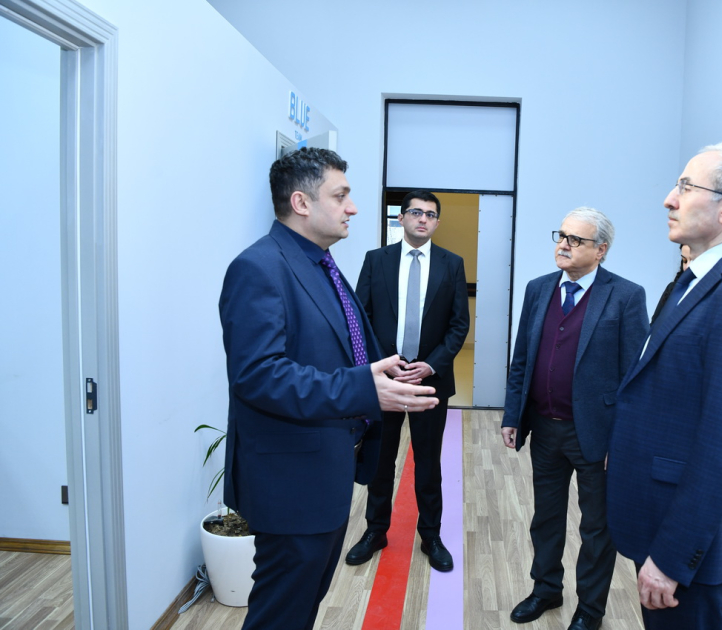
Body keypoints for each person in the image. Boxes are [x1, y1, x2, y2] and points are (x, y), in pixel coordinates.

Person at [218, 147, 439, 630]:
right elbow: (258, 375)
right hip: (290, 485)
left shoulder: (320, 263)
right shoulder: (259, 268)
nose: (352, 207)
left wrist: (377, 371)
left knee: (303, 606)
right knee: (280, 614)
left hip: (325, 472)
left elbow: (333, 347)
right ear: (301, 203)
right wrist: (364, 387)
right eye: (340, 196)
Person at [606, 143, 722, 630]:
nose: (669, 199)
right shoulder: (697, 281)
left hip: (688, 547)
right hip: (659, 515)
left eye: (686, 187)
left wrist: (672, 557)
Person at [501, 207, 649, 630]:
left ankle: (590, 609)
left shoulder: (625, 296)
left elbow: (634, 377)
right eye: (562, 236)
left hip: (597, 435)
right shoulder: (538, 289)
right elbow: (522, 358)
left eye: (575, 239)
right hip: (544, 427)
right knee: (545, 518)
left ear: (601, 250)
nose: (563, 245)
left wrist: (622, 441)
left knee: (596, 528)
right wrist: (512, 414)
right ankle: (546, 589)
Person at [345, 190, 470, 571]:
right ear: (401, 218)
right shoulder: (376, 260)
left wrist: (431, 365)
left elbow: (458, 324)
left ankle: (431, 535)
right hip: (385, 379)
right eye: (416, 212)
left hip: (429, 381)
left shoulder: (452, 264)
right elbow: (360, 318)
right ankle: (375, 530)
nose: (423, 219)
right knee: (380, 459)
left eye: (430, 214)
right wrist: (381, 365)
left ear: (437, 222)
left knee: (428, 463)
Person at [650, 244, 692, 324]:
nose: (687, 266)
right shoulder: (672, 288)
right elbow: (654, 323)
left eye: (693, 260)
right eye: (685, 261)